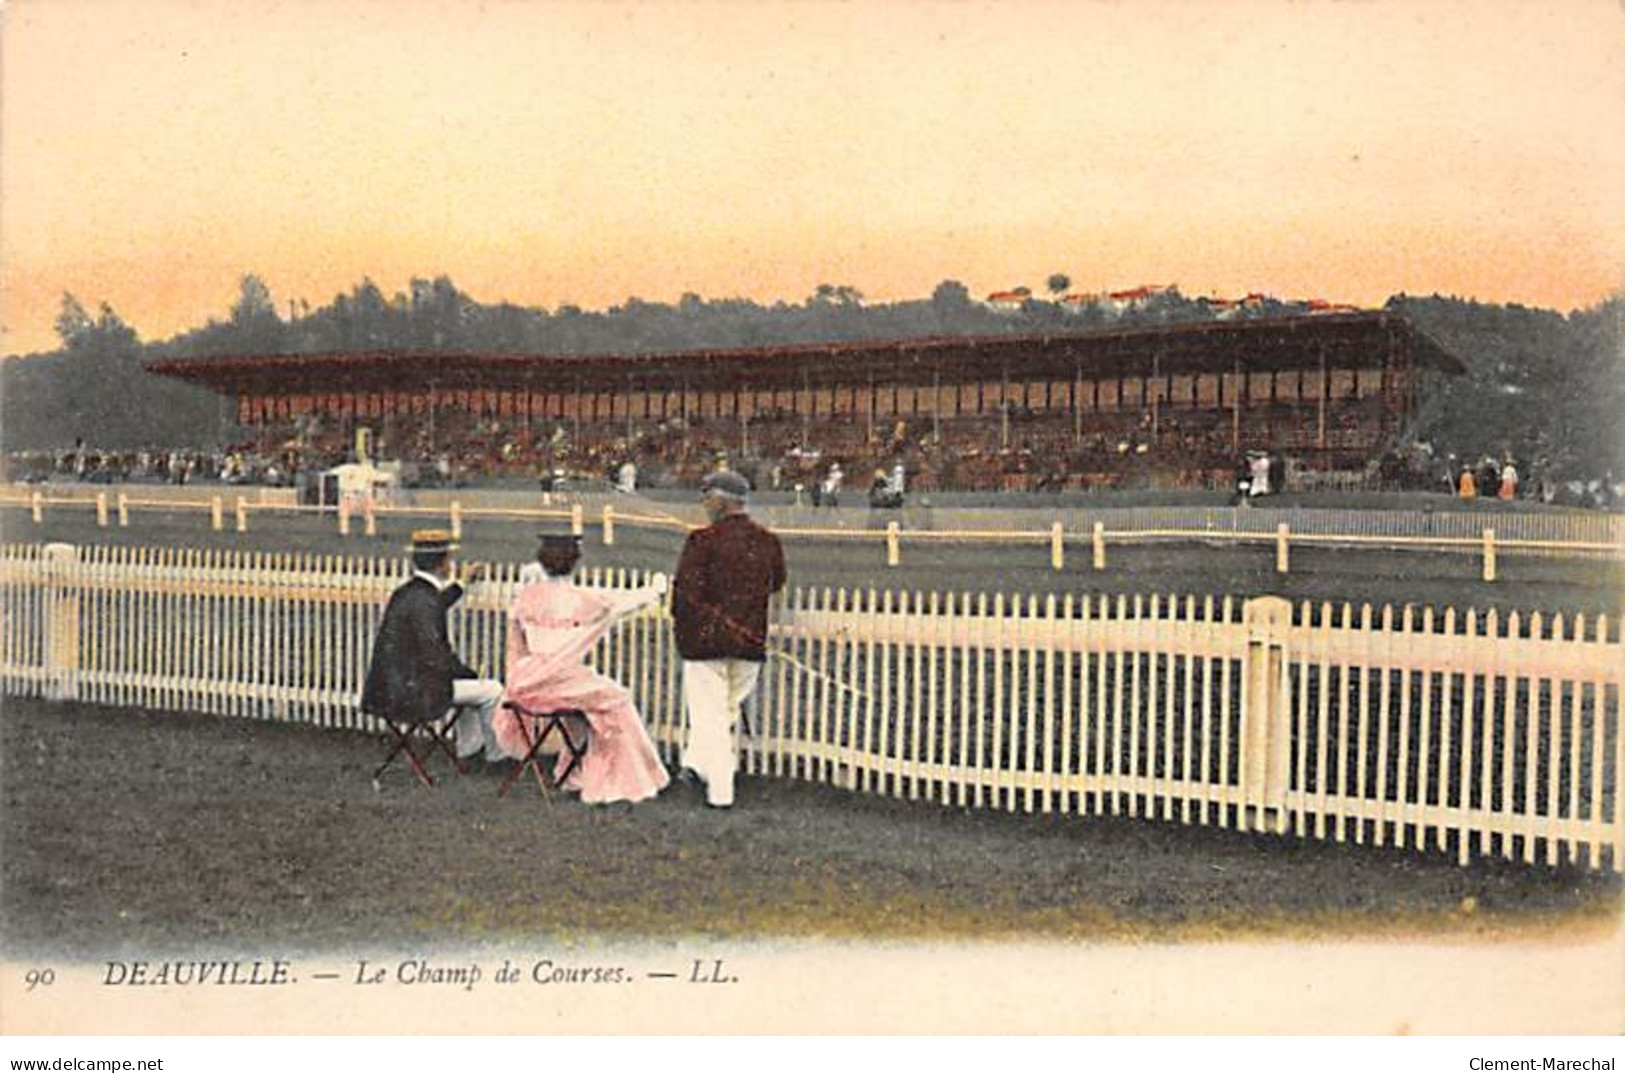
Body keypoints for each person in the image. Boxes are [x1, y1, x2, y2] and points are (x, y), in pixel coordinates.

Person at [492, 535, 671, 804]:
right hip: (556, 680)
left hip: (525, 682)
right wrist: (656, 588)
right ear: (575, 563)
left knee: (587, 703)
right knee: (617, 699)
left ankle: (574, 771)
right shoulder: (581, 599)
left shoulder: (526, 597)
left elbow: (515, 646)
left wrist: (514, 681)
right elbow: (623, 603)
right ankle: (618, 778)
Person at [672, 470, 787, 809]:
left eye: (708, 497)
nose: (705, 504)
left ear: (723, 500)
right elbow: (777, 583)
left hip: (706, 646)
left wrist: (687, 628)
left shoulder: (701, 541)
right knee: (723, 713)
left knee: (712, 719)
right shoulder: (768, 541)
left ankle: (720, 792)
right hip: (749, 645)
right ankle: (694, 766)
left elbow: (685, 595)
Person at [360, 529, 504, 762]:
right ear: (444, 563)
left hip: (387, 690)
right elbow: (435, 655)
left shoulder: (408, 593)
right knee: (492, 691)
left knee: (472, 690)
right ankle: (497, 757)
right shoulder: (425, 599)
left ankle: (469, 752)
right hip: (413, 693)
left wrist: (461, 583)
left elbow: (436, 605)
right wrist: (467, 673)